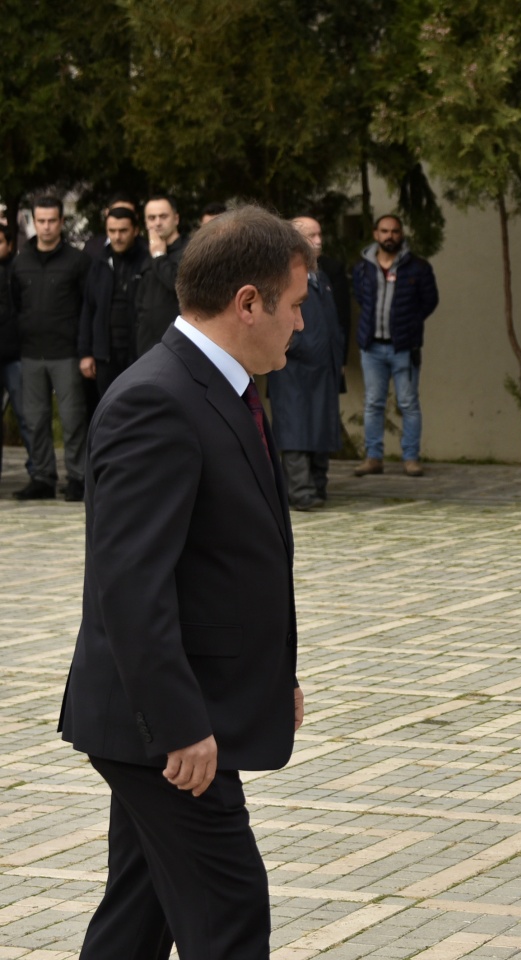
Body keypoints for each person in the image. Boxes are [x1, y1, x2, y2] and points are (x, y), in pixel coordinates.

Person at [59, 206, 310, 959]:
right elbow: (130, 587)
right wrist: (180, 725)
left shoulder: (222, 388)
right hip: (161, 732)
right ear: (248, 304)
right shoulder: (157, 400)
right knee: (229, 913)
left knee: (137, 920)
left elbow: (226, 563)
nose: (301, 324)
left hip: (179, 713)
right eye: (295, 305)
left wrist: (275, 675)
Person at [9, 197, 91, 502]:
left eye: (52, 221)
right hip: (31, 353)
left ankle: (78, 478)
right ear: (33, 221)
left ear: (61, 222)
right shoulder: (21, 261)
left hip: (66, 353)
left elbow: (87, 306)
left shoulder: (77, 261)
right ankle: (42, 477)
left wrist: (85, 350)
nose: (46, 227)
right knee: (35, 419)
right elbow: (16, 303)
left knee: (72, 419)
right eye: (40, 221)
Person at [267, 216, 345, 510]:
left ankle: (319, 486)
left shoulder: (321, 278)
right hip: (294, 369)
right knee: (296, 430)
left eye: (320, 233)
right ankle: (300, 491)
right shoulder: (281, 276)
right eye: (311, 235)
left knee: (321, 429)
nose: (319, 241)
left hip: (324, 369)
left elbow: (333, 323)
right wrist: (298, 346)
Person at [352, 214, 437, 477]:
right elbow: (359, 296)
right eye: (385, 231)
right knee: (373, 403)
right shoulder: (363, 267)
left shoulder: (418, 267)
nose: (390, 236)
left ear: (402, 235)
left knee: (408, 403)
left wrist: (409, 324)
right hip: (372, 347)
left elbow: (430, 301)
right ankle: (373, 457)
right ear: (376, 234)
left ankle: (411, 458)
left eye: (395, 231)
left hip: (404, 347)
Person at [79, 206, 148, 397]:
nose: (117, 236)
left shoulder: (147, 261)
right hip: (105, 356)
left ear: (135, 230)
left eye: (123, 231)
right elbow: (88, 308)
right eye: (112, 231)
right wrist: (85, 352)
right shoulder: (99, 262)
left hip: (139, 354)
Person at [133, 194, 189, 357]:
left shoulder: (190, 251)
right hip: (146, 345)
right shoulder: (144, 253)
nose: (157, 222)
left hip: (178, 344)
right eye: (151, 218)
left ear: (176, 218)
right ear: (145, 223)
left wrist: (159, 256)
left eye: (163, 216)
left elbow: (177, 284)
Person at [0, 224, 33, 483]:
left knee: (26, 416)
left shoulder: (19, 271)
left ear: (9, 244)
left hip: (16, 355)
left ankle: (39, 473)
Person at [82, 194, 138, 261]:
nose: (121, 216)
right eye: (116, 212)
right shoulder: (91, 248)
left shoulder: (146, 252)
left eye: (127, 213)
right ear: (107, 213)